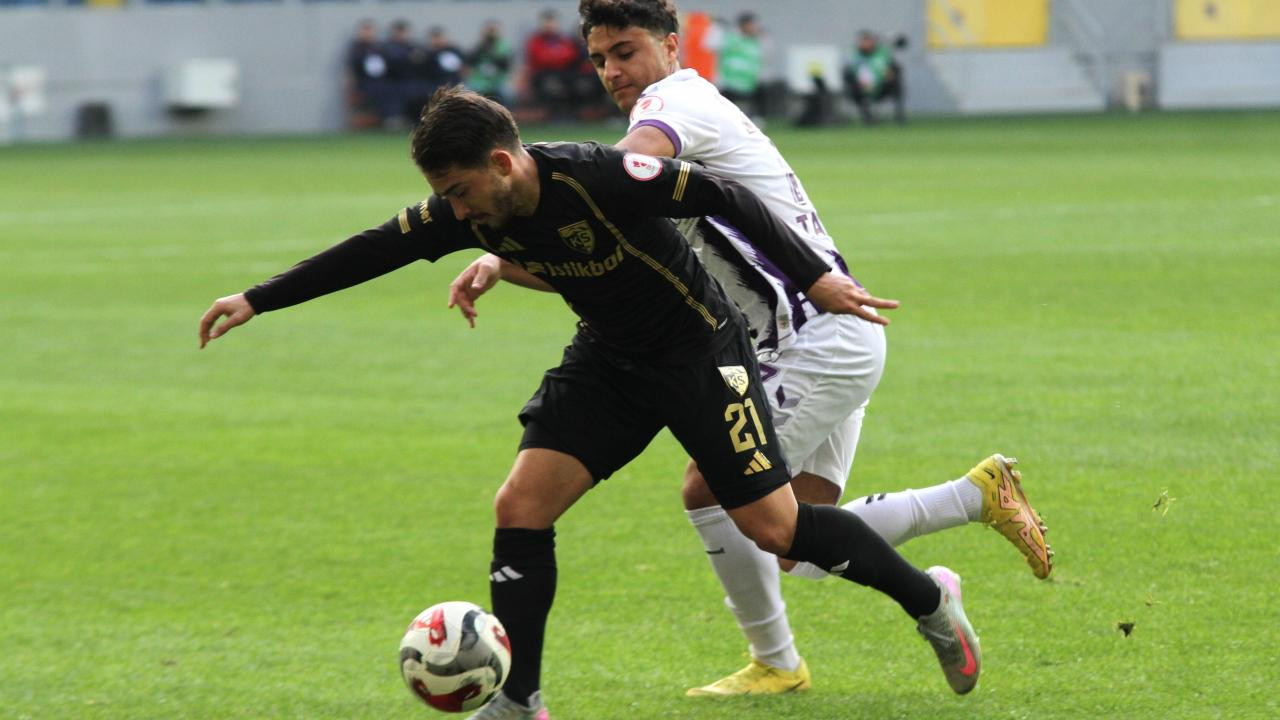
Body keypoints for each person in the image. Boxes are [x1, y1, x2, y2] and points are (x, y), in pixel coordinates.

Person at [199, 86, 984, 720]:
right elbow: (372, 249)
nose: (457, 212)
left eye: (462, 192)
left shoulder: (601, 176)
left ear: (502, 162)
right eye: (445, 197)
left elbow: (726, 196)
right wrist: (257, 299)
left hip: (701, 356)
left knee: (775, 528)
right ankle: (520, 698)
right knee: (521, 506)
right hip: (609, 362)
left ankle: (930, 603)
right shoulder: (465, 209)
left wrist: (813, 276)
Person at [449, 0, 1052, 701]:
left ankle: (779, 661)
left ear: (670, 46)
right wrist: (506, 262)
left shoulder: (674, 105)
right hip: (812, 338)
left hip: (813, 338)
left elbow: (616, 176)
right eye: (600, 59)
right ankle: (971, 498)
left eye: (626, 51)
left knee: (714, 489)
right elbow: (601, 256)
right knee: (797, 543)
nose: (612, 70)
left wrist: (529, 214)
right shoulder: (675, 117)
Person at [522, 9, 585, 121]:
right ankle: (553, 116)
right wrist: (557, 56)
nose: (549, 25)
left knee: (578, 84)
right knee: (551, 86)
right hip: (543, 75)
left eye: (552, 22)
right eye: (547, 22)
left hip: (564, 73)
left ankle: (573, 115)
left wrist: (554, 56)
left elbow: (571, 55)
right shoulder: (535, 40)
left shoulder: (564, 39)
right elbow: (539, 58)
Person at [844, 30, 905, 125]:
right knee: (852, 88)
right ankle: (867, 117)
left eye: (868, 40)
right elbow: (848, 73)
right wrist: (857, 81)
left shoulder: (882, 53)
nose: (866, 43)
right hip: (862, 88)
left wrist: (891, 73)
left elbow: (894, 68)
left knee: (896, 83)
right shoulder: (855, 56)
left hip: (881, 85)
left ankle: (899, 116)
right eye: (863, 41)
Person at [345, 19, 390, 128]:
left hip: (382, 82)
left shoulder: (381, 47)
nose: (368, 33)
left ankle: (391, 119)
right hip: (363, 83)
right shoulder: (356, 48)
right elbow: (352, 69)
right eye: (365, 30)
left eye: (370, 30)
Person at [716, 12, 764, 116]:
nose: (753, 27)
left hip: (748, 84)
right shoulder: (731, 39)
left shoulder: (754, 42)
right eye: (751, 24)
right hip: (730, 83)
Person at [467, 20, 514, 106]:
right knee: (467, 93)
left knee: (508, 94)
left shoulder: (504, 47)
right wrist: (482, 48)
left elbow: (506, 65)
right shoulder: (479, 45)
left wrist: (492, 52)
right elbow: (470, 61)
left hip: (498, 80)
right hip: (480, 81)